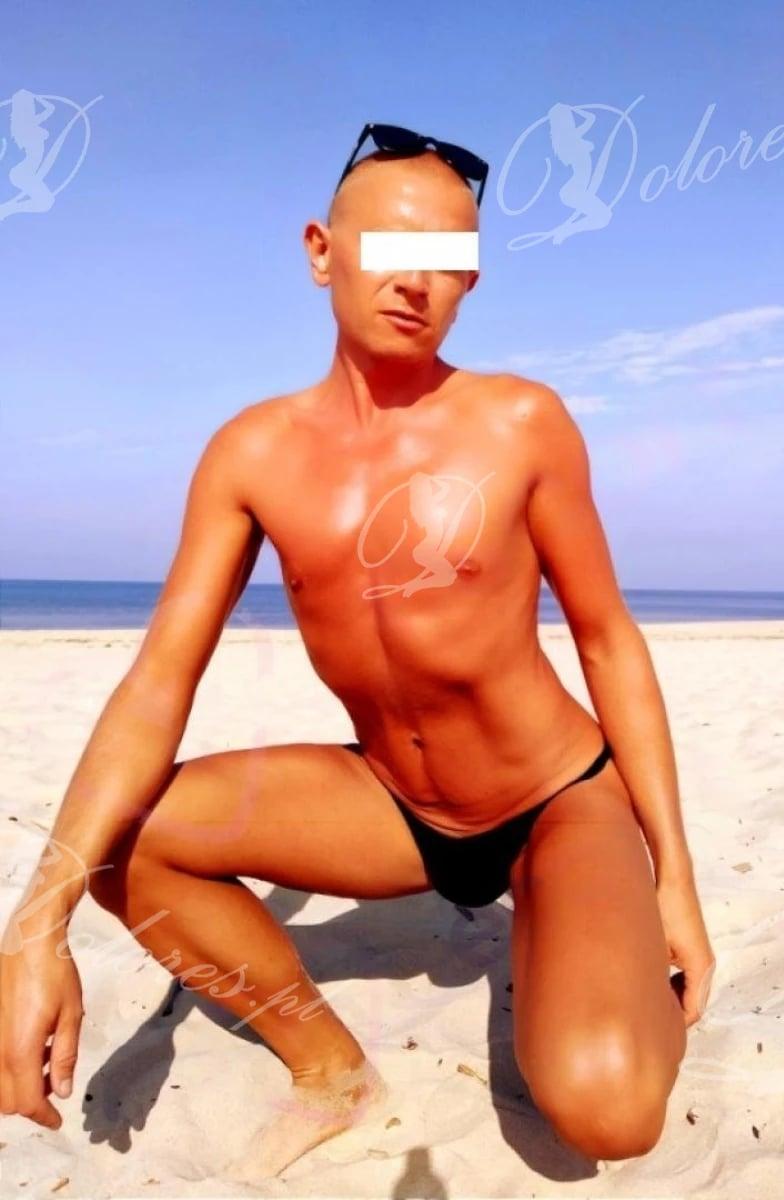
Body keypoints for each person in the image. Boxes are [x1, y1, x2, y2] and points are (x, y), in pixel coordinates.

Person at [0, 125, 715, 1179]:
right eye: (387, 247)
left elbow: (608, 641)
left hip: (557, 800)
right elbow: (158, 681)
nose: (414, 282)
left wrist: (676, 882)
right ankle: (331, 1070)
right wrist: (35, 927)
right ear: (321, 252)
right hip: (395, 806)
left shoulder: (521, 422)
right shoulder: (251, 454)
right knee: (120, 839)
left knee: (608, 1115)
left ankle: (579, 925)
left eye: (447, 261)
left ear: (469, 284)